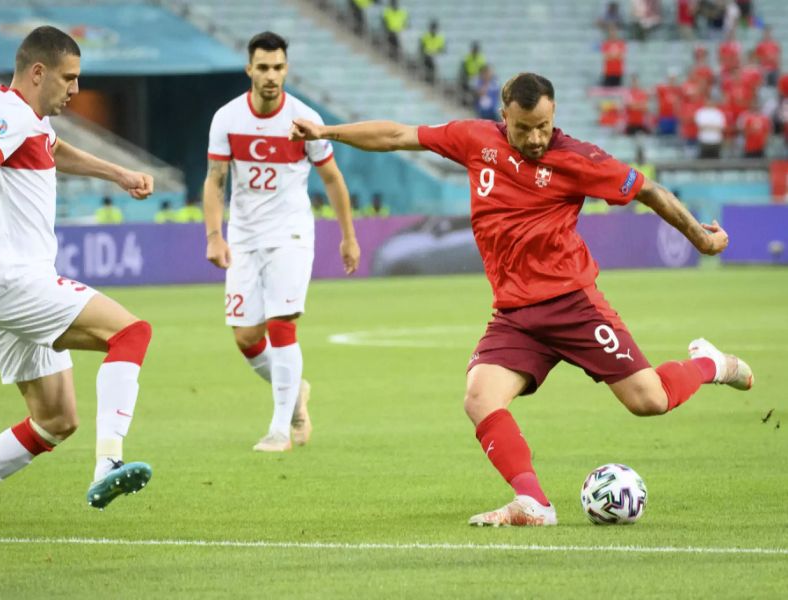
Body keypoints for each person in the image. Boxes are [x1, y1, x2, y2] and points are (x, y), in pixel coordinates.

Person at [290, 72, 753, 527]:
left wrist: (699, 237)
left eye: (544, 127)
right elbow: (395, 135)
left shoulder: (579, 158)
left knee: (648, 401)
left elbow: (648, 190)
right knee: (479, 397)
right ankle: (533, 503)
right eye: (524, 128)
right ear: (503, 116)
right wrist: (326, 131)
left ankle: (712, 364)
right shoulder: (474, 140)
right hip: (514, 315)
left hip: (573, 304)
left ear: (555, 116)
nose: (535, 138)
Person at [0, 26, 155, 533]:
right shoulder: (8, 116)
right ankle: (109, 460)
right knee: (131, 332)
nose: (76, 90)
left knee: (56, 419)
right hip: (15, 280)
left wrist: (119, 174)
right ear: (37, 72)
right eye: (69, 78)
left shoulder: (29, 122)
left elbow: (55, 149)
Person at [204, 32, 360, 453]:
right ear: (249, 69)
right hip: (244, 236)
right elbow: (215, 180)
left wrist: (348, 236)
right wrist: (214, 235)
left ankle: (278, 429)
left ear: (286, 69)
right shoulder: (227, 119)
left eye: (278, 68)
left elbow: (332, 178)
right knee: (246, 337)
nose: (271, 76)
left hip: (290, 232)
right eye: (263, 67)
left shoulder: (304, 119)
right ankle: (296, 393)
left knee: (281, 324)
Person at [419, 20, 446, 85]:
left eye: (435, 28)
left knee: (437, 60)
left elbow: (442, 49)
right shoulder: (425, 36)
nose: (433, 30)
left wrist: (436, 52)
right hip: (427, 56)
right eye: (432, 28)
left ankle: (434, 79)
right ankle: (430, 79)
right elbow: (421, 48)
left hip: (437, 55)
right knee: (429, 59)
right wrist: (428, 52)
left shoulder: (440, 38)